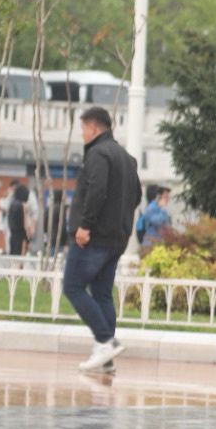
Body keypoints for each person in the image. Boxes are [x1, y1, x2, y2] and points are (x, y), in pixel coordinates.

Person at [64, 107, 142, 373]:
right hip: (117, 238)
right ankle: (106, 359)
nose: (82, 134)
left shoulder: (97, 154)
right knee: (101, 293)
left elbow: (96, 191)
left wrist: (85, 225)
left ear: (94, 128)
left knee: (72, 286)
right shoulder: (128, 159)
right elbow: (137, 197)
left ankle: (105, 341)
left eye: (84, 128)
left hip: (94, 237)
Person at [5, 183, 31, 256]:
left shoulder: (12, 204)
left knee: (13, 257)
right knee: (19, 260)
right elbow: (25, 224)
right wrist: (28, 238)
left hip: (12, 235)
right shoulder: (22, 206)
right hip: (21, 237)